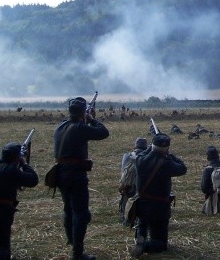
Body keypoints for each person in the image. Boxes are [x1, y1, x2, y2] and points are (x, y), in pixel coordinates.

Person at [54, 97, 110, 260]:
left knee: (68, 209)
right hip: (75, 174)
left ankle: (72, 240)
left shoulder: (61, 127)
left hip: (61, 173)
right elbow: (103, 132)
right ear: (82, 112)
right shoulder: (80, 127)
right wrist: (92, 119)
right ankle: (77, 253)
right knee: (81, 213)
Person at [130, 132, 187, 257]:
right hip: (159, 207)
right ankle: (145, 246)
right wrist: (170, 155)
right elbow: (183, 168)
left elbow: (145, 153)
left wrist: (152, 148)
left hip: (142, 203)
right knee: (161, 243)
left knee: (142, 223)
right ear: (166, 148)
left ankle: (140, 238)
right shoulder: (167, 163)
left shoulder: (140, 160)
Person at [120, 138, 149, 226]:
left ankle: (125, 218)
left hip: (127, 187)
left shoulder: (126, 155)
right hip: (141, 187)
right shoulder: (146, 157)